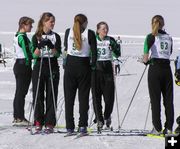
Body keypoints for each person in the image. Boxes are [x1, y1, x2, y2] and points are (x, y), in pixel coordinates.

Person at [63, 14, 97, 135]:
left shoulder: (68, 31)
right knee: (83, 98)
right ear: (85, 23)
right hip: (83, 66)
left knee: (69, 99)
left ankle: (69, 127)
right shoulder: (90, 33)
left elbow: (66, 48)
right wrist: (92, 66)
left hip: (70, 66)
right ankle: (82, 125)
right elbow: (94, 52)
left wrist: (65, 64)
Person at [143, 15, 174, 135]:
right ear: (163, 24)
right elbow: (169, 52)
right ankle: (169, 127)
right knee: (168, 100)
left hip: (155, 70)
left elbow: (145, 58)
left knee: (155, 100)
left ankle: (157, 128)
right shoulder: (169, 37)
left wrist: (146, 60)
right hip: (167, 70)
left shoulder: (150, 37)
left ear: (152, 24)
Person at [31, 12, 61, 133]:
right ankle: (38, 121)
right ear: (44, 22)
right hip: (39, 65)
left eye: (53, 21)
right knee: (38, 94)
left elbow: (57, 54)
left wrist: (50, 45)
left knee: (51, 94)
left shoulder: (56, 36)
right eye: (51, 21)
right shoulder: (36, 36)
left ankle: (49, 122)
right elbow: (34, 55)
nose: (53, 24)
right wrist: (40, 46)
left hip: (52, 65)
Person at [93, 21, 120, 130]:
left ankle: (107, 115)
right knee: (96, 96)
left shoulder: (111, 40)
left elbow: (118, 53)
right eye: (103, 28)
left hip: (107, 68)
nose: (105, 30)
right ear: (98, 30)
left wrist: (113, 49)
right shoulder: (93, 39)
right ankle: (99, 119)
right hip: (96, 68)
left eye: (106, 28)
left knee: (109, 97)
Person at [13, 16, 34, 126]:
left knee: (19, 92)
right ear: (23, 25)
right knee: (21, 92)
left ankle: (17, 116)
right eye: (30, 25)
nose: (31, 27)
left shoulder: (18, 35)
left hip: (19, 65)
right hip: (23, 66)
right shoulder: (22, 37)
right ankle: (19, 117)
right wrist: (32, 59)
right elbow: (27, 53)